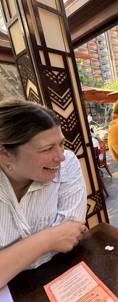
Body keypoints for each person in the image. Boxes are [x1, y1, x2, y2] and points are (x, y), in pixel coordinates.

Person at [0, 99, 87, 287]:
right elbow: (59, 237)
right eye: (47, 149)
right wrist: (48, 239)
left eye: (62, 144)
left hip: (59, 276)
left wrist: (10, 259)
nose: (61, 156)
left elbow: (70, 234)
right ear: (5, 154)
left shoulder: (67, 163)